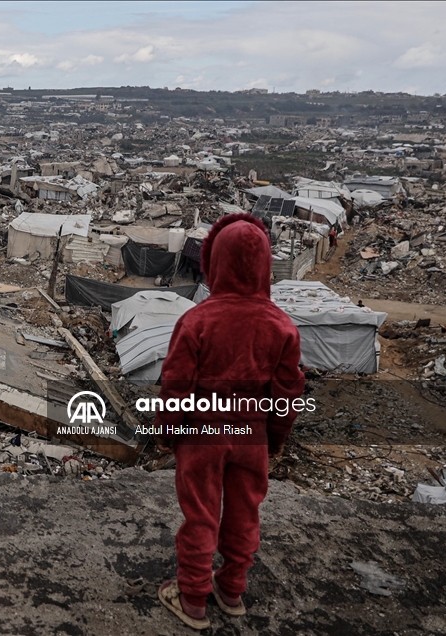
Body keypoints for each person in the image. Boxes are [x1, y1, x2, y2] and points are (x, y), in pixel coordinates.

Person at [153, 214, 305, 629]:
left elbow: (175, 386)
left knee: (201, 515)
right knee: (244, 515)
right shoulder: (281, 326)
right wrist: (275, 439)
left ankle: (193, 599)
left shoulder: (197, 320)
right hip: (251, 434)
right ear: (265, 266)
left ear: (214, 263)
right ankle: (232, 590)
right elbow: (286, 393)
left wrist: (169, 431)